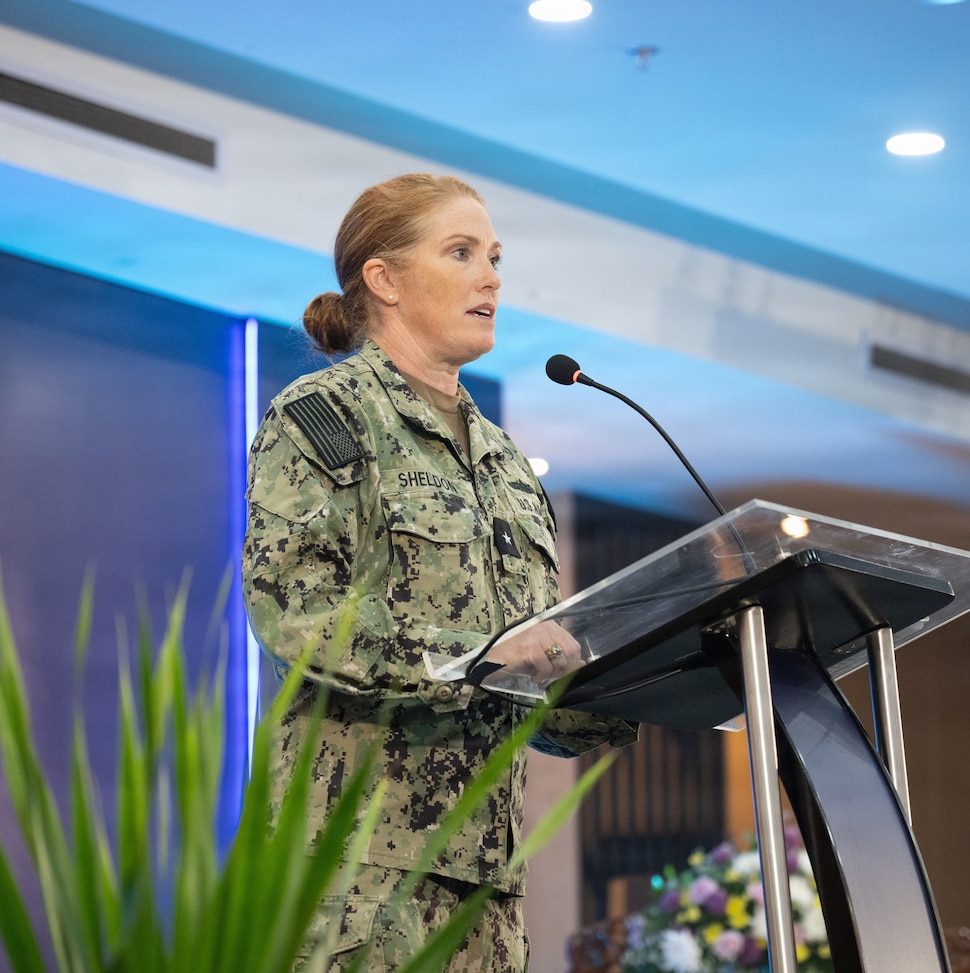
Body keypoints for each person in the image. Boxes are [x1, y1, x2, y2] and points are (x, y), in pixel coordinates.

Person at [242, 173, 637, 972]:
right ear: (382, 280)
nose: (491, 277)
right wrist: (482, 657)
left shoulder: (507, 467)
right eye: (461, 252)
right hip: (351, 884)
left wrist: (630, 673)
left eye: (493, 256)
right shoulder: (326, 417)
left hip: (489, 892)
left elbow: (536, 681)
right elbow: (295, 612)